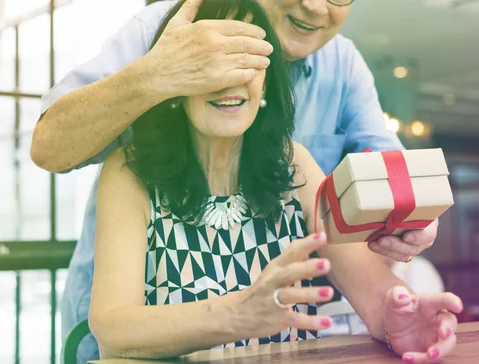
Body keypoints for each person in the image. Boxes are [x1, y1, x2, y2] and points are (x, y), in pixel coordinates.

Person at [30, 0, 440, 361]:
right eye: (213, 60)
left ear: (268, 79)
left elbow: (369, 282)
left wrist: (396, 312)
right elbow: (113, 327)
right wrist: (240, 313)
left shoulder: (294, 162)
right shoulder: (130, 171)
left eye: (247, 59)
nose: (230, 77)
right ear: (178, 75)